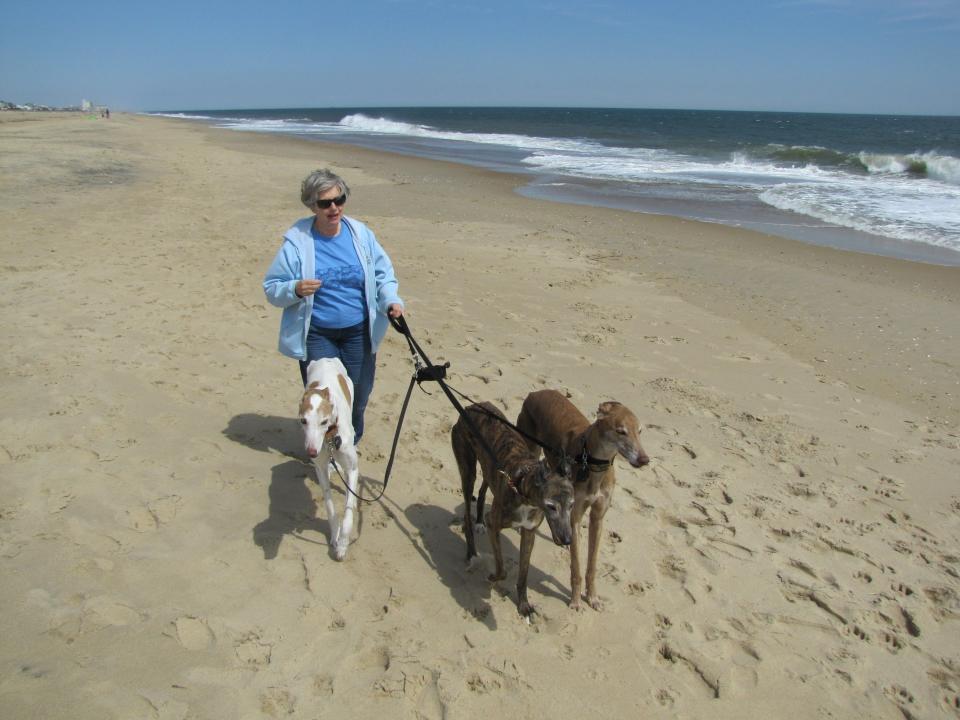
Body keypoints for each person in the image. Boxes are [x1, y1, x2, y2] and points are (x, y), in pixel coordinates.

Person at [264, 168, 405, 443]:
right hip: (318, 334)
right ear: (312, 205)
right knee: (323, 399)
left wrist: (391, 300)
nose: (334, 207)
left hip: (358, 332)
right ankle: (326, 448)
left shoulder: (361, 234)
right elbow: (272, 288)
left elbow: (383, 274)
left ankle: (349, 443)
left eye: (339, 200)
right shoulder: (298, 242)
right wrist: (294, 288)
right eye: (325, 203)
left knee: (358, 398)